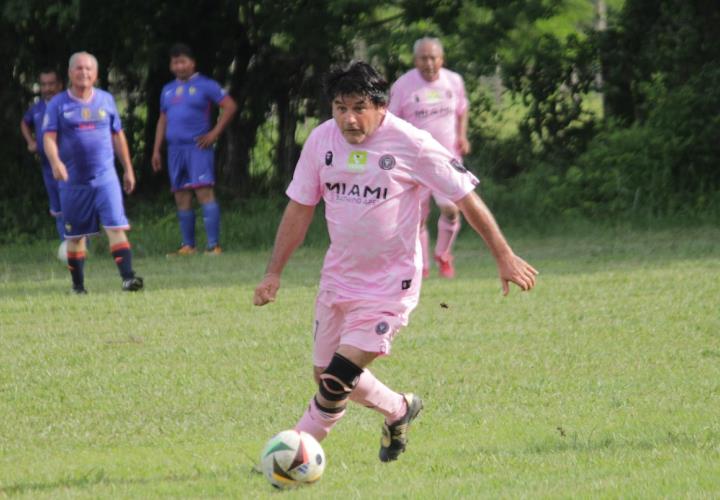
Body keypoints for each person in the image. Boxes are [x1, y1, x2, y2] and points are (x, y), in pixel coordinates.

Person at [253, 62, 537, 463]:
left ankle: (291, 457)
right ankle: (399, 409)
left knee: (335, 380)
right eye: (339, 107)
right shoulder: (321, 141)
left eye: (358, 107)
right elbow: (299, 208)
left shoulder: (411, 143)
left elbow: (464, 197)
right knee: (326, 374)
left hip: (390, 286)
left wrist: (503, 255)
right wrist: (273, 272)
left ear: (382, 106)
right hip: (338, 280)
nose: (348, 118)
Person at [43, 51, 143, 294]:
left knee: (115, 227)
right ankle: (78, 286)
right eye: (79, 68)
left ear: (96, 74)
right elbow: (49, 137)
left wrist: (128, 169)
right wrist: (56, 162)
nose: (84, 72)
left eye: (88, 69)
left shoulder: (106, 100)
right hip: (73, 181)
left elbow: (118, 136)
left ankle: (128, 279)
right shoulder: (59, 103)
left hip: (105, 177)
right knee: (76, 236)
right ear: (70, 73)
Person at [389, 37, 471, 278]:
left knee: (451, 208)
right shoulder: (403, 85)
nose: (429, 63)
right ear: (415, 60)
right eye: (423, 58)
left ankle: (443, 255)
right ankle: (422, 266)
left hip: (447, 159)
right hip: (414, 161)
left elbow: (462, 110)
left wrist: (463, 136)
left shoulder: (454, 81)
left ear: (441, 59)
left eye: (433, 57)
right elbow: (392, 121)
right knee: (418, 217)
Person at [151, 43, 237, 256]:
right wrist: (156, 150)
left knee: (203, 191)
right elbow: (163, 119)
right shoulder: (167, 89)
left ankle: (213, 245)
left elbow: (230, 106)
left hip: (197, 147)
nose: (179, 66)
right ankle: (188, 245)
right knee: (180, 195)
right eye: (175, 62)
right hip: (174, 149)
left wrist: (213, 134)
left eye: (183, 61)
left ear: (192, 62)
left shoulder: (206, 85)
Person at [20, 69, 65, 240]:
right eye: (44, 84)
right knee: (58, 208)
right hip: (48, 168)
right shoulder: (37, 108)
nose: (47, 88)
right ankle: (66, 246)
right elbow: (24, 123)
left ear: (60, 85)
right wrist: (31, 142)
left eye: (51, 84)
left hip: (69, 165)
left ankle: (83, 246)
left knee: (75, 205)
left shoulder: (67, 104)